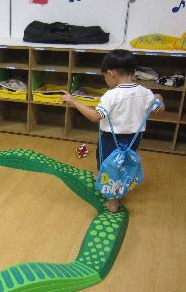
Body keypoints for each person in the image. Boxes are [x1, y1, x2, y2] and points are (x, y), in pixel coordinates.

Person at [61, 49, 165, 213]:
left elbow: (95, 116)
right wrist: (159, 98)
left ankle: (112, 201)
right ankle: (111, 182)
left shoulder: (111, 95)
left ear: (110, 74)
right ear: (133, 71)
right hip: (134, 139)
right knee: (123, 164)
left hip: (110, 139)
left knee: (108, 165)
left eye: (104, 76)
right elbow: (159, 109)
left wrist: (74, 101)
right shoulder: (145, 93)